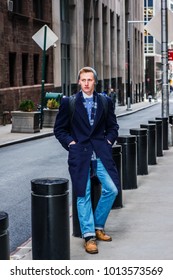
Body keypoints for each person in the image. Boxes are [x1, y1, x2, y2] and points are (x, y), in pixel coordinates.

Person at [54, 67, 120, 254]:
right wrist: (71, 143)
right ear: (79, 82)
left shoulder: (105, 101)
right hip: (80, 155)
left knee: (112, 189)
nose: (86, 83)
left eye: (89, 80)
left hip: (100, 154)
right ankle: (89, 236)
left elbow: (113, 127)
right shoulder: (70, 103)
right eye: (83, 80)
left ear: (95, 82)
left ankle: (98, 226)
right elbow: (59, 130)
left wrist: (107, 142)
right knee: (83, 195)